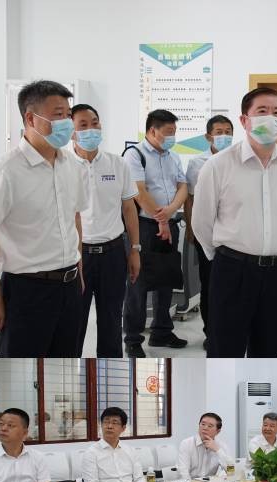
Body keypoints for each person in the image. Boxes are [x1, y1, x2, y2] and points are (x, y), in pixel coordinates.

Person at [0, 80, 86, 356]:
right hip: (27, 290)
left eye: (68, 114)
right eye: (58, 115)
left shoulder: (72, 165)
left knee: (66, 364)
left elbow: (74, 219)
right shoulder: (4, 172)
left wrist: (78, 269)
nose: (66, 122)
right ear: (31, 119)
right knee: (22, 365)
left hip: (69, 285)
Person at [192, 87, 277, 357]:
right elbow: (201, 221)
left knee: (269, 352)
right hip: (233, 272)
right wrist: (223, 258)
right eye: (262, 111)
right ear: (245, 120)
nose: (270, 117)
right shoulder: (219, 165)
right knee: (225, 352)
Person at [70, 104, 141, 357]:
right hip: (77, 256)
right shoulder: (63, 165)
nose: (91, 129)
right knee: (74, 322)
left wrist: (135, 249)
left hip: (113, 253)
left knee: (111, 320)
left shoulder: (117, 163)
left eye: (95, 123)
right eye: (83, 125)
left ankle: (109, 369)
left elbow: (129, 208)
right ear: (71, 131)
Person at [123, 109, 188, 357]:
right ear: (153, 131)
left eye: (174, 132)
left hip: (168, 223)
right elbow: (139, 192)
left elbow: (182, 186)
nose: (173, 137)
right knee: (138, 283)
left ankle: (161, 331)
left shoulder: (173, 157)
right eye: (169, 132)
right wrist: (161, 218)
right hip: (144, 227)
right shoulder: (135, 155)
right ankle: (133, 338)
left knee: (166, 279)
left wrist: (170, 211)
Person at [183, 115, 234, 350]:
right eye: (219, 132)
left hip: (232, 236)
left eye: (228, 132)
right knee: (210, 285)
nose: (224, 136)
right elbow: (190, 199)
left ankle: (229, 331)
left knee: (231, 288)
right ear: (208, 136)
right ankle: (211, 332)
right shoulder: (197, 163)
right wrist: (191, 229)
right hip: (207, 235)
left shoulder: (239, 160)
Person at [81, 407, 144, 482]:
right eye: (106, 422)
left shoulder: (131, 451)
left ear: (123, 428)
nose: (109, 426)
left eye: (115, 423)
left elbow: (139, 478)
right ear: (101, 425)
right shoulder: (91, 453)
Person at [178, 413, 233, 479]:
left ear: (218, 431)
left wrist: (217, 450)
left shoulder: (221, 446)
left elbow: (231, 471)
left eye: (210, 426)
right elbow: (183, 472)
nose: (205, 428)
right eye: (203, 424)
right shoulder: (186, 444)